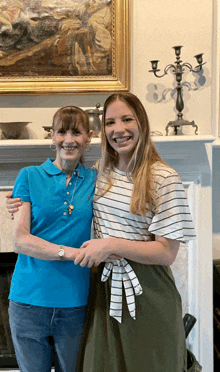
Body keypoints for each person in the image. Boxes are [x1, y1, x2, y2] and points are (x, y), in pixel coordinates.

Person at [6, 93, 196, 372]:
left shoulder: (163, 177)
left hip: (146, 288)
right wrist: (19, 199)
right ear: (103, 131)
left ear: (141, 122)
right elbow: (39, 214)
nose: (118, 129)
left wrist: (109, 245)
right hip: (102, 289)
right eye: (111, 122)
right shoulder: (102, 172)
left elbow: (167, 252)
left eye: (127, 119)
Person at [5, 105, 118, 372]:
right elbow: (21, 240)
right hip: (28, 301)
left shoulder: (96, 179)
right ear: (52, 136)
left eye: (76, 132)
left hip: (75, 303)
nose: (69, 140)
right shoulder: (29, 176)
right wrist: (72, 253)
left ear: (88, 137)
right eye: (62, 132)